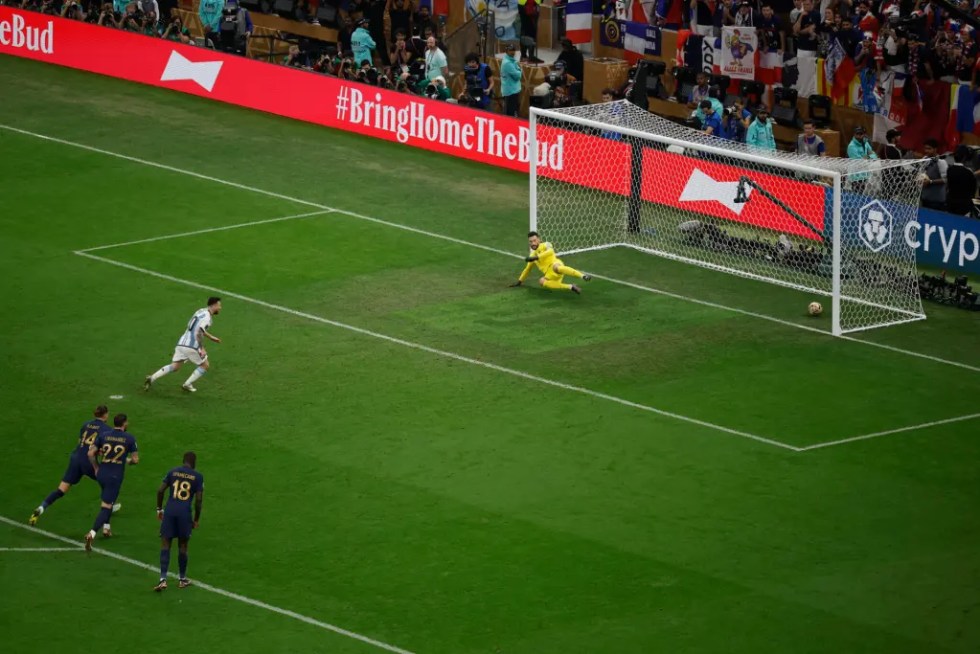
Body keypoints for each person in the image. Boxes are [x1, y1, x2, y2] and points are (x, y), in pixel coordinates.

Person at [29, 406, 120, 526]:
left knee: (61, 490)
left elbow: (80, 443)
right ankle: (107, 512)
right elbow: (103, 449)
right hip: (89, 461)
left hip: (76, 459)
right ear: (105, 415)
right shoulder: (106, 430)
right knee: (108, 483)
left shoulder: (86, 424)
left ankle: (40, 509)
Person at [144, 297, 223, 394]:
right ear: (214, 305)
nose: (220, 308)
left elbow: (193, 325)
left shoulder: (200, 311)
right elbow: (199, 332)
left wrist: (210, 337)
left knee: (175, 366)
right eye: (219, 305)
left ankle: (152, 378)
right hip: (192, 346)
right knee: (205, 365)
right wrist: (202, 347)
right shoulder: (207, 318)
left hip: (182, 342)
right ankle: (187, 384)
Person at [84, 414, 139, 550]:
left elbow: (90, 454)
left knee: (109, 499)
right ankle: (92, 533)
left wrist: (96, 467)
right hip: (114, 477)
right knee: (106, 506)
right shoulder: (129, 438)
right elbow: (135, 460)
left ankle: (107, 528)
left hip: (102, 473)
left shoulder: (104, 435)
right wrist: (128, 461)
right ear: (124, 424)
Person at [154, 451, 205, 592]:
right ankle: (182, 579)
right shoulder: (198, 477)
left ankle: (162, 579)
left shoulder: (173, 472)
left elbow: (160, 490)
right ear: (193, 462)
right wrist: (196, 519)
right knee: (183, 545)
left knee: (165, 543)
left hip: (170, 511)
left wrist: (159, 509)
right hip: (184, 513)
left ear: (183, 461)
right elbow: (199, 501)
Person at [509, 231, 592, 294]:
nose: (533, 243)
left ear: (539, 239)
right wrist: (519, 282)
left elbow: (551, 251)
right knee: (541, 281)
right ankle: (570, 287)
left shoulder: (546, 244)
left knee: (556, 267)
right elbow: (527, 269)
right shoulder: (532, 255)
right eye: (531, 242)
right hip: (550, 275)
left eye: (534, 240)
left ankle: (583, 276)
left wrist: (537, 257)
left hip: (556, 265)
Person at [946, 145, 977, 216]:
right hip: (964, 207)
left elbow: (948, 186)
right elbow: (973, 191)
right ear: (965, 157)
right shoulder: (969, 173)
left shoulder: (949, 170)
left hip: (951, 205)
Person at [920, 138, 948, 211]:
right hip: (925, 197)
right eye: (925, 148)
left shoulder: (941, 162)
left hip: (937, 200)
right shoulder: (924, 159)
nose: (926, 151)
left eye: (929, 149)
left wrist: (931, 181)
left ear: (935, 149)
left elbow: (945, 179)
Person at [847, 126, 877, 192]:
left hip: (865, 173)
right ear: (854, 134)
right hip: (855, 175)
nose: (858, 135)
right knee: (855, 193)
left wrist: (868, 157)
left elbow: (874, 155)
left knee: (861, 192)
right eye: (857, 134)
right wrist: (869, 157)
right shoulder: (851, 146)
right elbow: (858, 161)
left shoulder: (865, 143)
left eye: (860, 134)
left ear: (864, 134)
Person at [501, 42, 522, 118]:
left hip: (513, 91)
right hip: (510, 92)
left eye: (513, 50)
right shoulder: (507, 63)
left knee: (514, 112)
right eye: (510, 50)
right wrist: (520, 68)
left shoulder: (511, 61)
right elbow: (518, 76)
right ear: (506, 51)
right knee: (510, 115)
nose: (512, 52)